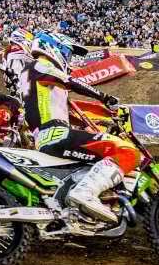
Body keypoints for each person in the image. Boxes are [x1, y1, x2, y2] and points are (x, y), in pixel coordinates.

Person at [20, 32, 134, 224]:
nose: (68, 58)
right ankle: (85, 193)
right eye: (67, 52)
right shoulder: (40, 64)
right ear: (52, 47)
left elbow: (56, 108)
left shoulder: (33, 73)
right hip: (55, 134)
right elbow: (70, 81)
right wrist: (106, 98)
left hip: (48, 135)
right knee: (127, 151)